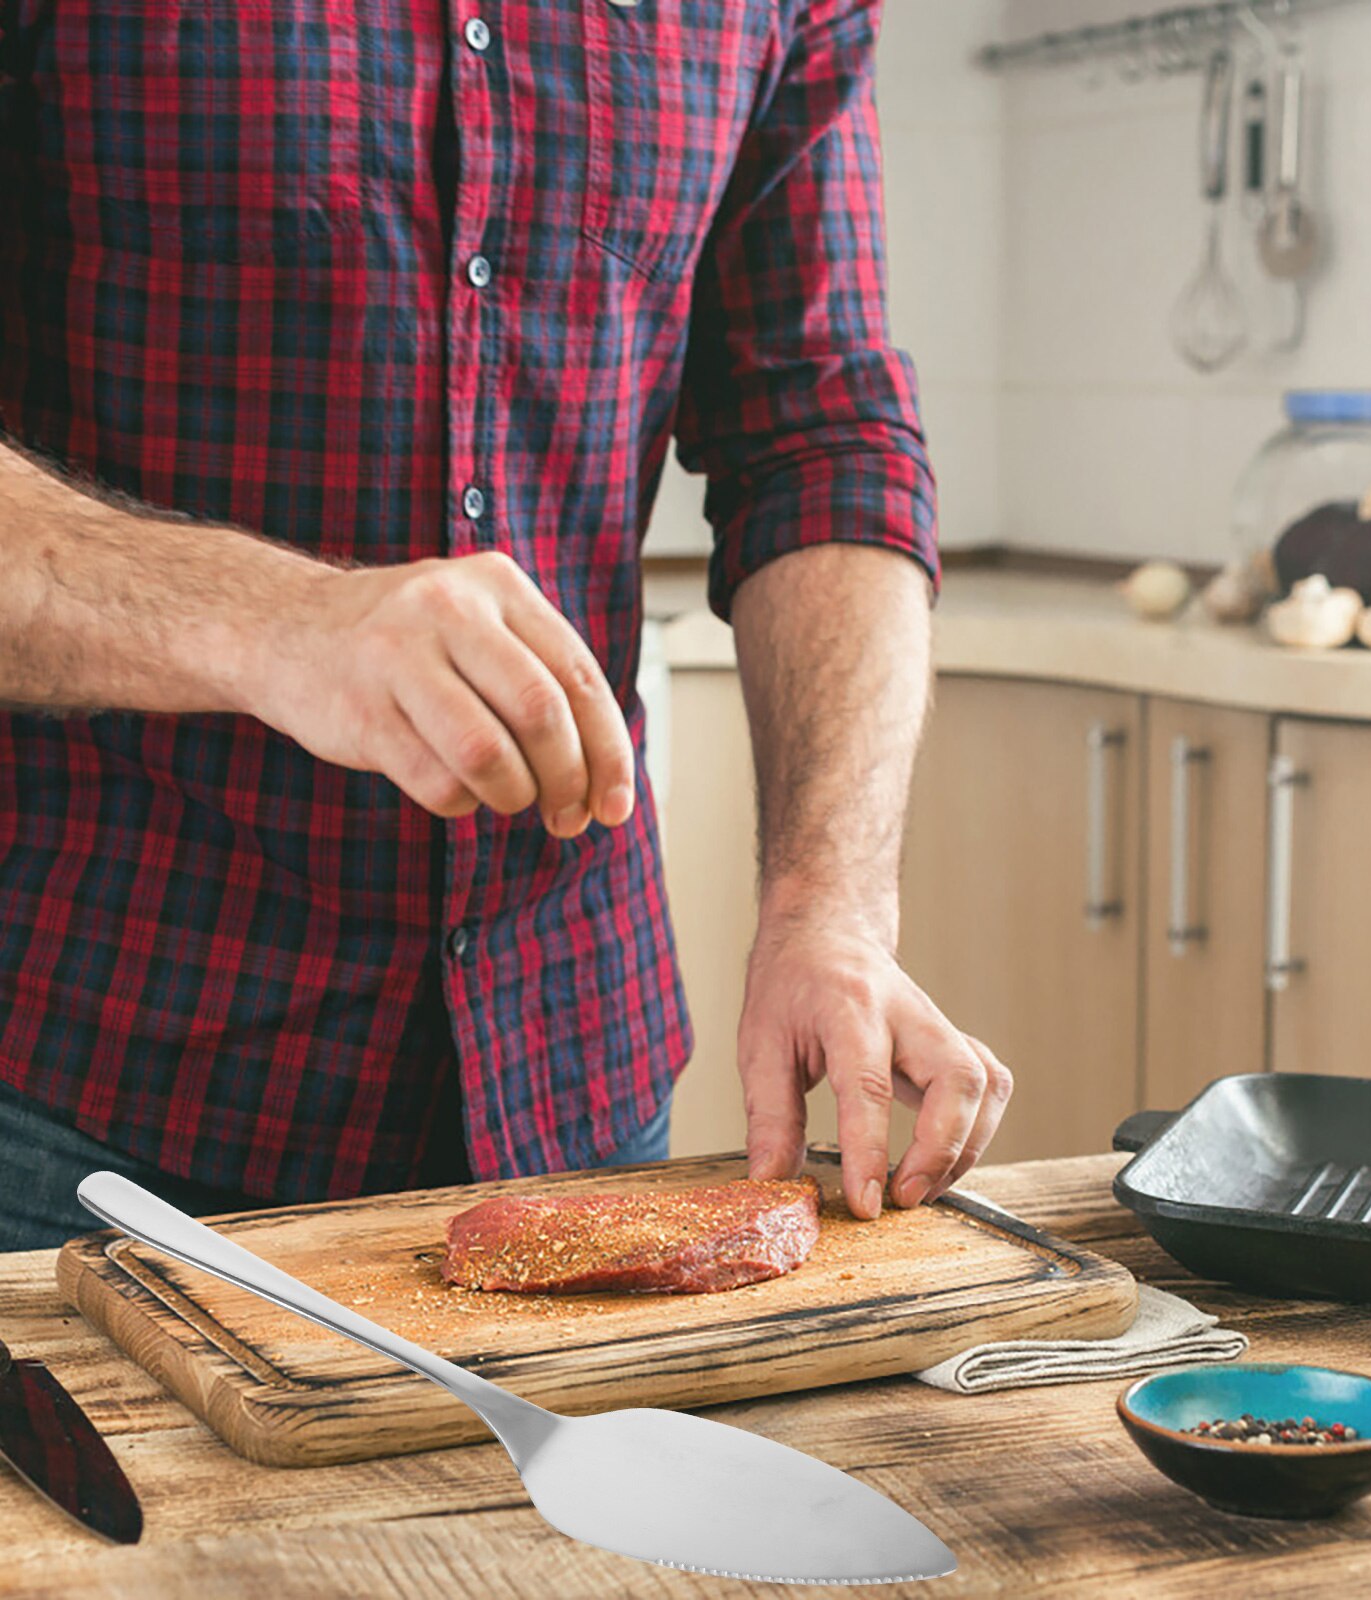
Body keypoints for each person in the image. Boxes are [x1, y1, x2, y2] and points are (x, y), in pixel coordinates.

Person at [0, 0, 1011, 1250]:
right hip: (90, 1094)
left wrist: (831, 900)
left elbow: (823, 439)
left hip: (577, 1071)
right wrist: (279, 620)